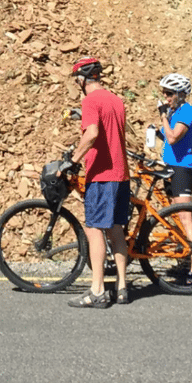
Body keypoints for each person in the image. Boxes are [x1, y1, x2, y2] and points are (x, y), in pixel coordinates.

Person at [62, 58, 130, 308]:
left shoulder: (90, 100)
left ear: (82, 78)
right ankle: (122, 287)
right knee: (116, 229)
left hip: (102, 175)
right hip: (121, 174)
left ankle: (97, 290)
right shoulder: (115, 99)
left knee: (94, 230)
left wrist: (73, 160)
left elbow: (92, 134)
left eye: (76, 78)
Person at [156, 72, 192, 284]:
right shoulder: (176, 112)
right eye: (164, 93)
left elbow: (174, 137)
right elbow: (168, 136)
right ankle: (186, 259)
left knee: (185, 218)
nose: (165, 98)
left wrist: (163, 117)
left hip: (183, 169)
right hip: (172, 167)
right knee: (176, 216)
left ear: (181, 94)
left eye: (169, 94)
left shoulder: (187, 112)